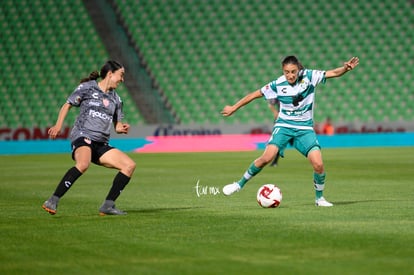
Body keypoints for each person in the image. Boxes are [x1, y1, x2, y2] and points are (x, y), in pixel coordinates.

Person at [221, 55, 359, 206]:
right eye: (286, 72)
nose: (290, 75)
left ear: (298, 69)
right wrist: (234, 107)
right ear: (283, 71)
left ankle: (319, 199)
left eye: (293, 71)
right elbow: (254, 94)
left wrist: (345, 68)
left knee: (318, 165)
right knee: (266, 158)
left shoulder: (310, 76)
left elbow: (332, 73)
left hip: (305, 128)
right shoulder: (277, 84)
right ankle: (239, 184)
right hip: (284, 126)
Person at [42, 60, 136, 215]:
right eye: (121, 75)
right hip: (83, 136)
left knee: (129, 166)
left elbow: (117, 125)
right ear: (110, 74)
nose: (122, 79)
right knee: (83, 164)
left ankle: (108, 205)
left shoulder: (117, 100)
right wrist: (58, 125)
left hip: (101, 144)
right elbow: (67, 105)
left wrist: (122, 128)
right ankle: (53, 200)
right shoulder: (87, 88)